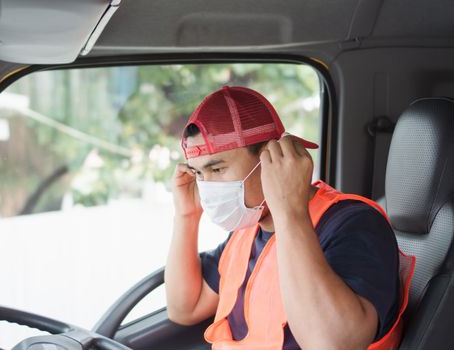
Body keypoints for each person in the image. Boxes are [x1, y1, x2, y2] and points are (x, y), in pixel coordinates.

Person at [164, 86, 415, 349]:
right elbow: (185, 308)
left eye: (217, 168)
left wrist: (289, 211)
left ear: (269, 158)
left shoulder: (355, 223)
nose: (207, 187)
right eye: (199, 174)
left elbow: (332, 343)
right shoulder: (246, 229)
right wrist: (186, 216)